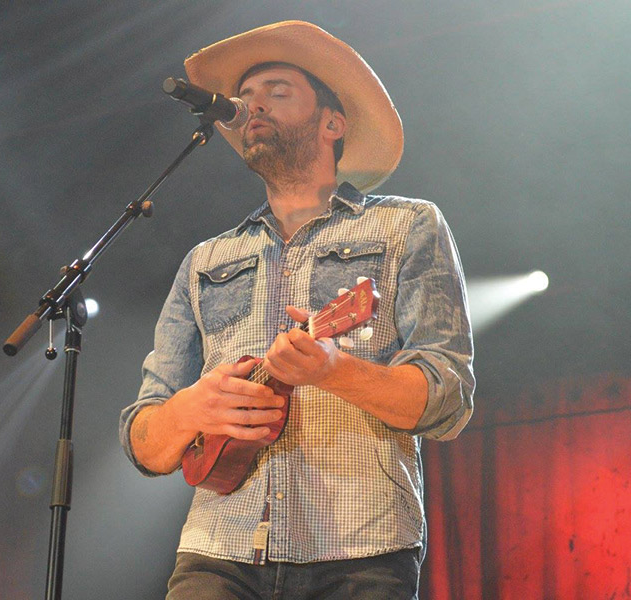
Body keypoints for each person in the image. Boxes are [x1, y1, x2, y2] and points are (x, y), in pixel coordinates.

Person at [119, 21, 474, 599]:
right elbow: (145, 442)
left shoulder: (409, 225)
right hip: (216, 551)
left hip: (362, 553)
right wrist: (189, 408)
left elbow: (449, 399)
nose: (252, 106)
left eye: (277, 92)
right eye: (245, 98)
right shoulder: (206, 259)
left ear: (333, 123)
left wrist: (332, 371)